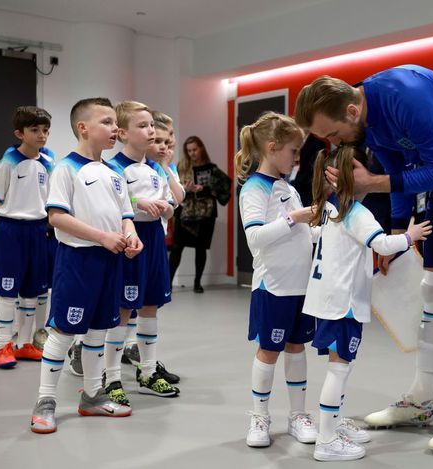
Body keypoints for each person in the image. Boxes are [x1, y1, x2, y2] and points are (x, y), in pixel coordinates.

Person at [295, 65, 433, 453]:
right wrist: (399, 229)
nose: (334, 143)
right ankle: (421, 401)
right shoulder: (367, 122)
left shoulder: (404, 94)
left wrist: (371, 184)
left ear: (351, 111)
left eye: (333, 134)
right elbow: (400, 168)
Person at [305, 145, 432, 461]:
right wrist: (411, 235)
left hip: (327, 301)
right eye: (362, 172)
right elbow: (382, 244)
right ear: (349, 179)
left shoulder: (330, 208)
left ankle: (333, 424)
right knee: (339, 369)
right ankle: (326, 439)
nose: (370, 177)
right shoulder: (357, 213)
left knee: (339, 367)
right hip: (342, 304)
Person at [30, 97, 142, 433]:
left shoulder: (115, 172)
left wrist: (131, 235)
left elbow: (126, 215)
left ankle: (92, 395)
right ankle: (45, 400)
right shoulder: (67, 168)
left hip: (110, 262)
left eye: (115, 123)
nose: (115, 129)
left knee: (98, 330)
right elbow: (57, 217)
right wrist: (102, 237)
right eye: (107, 122)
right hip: (78, 261)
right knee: (64, 331)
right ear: (83, 127)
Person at [235, 112, 319, 448]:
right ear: (272, 147)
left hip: (301, 285)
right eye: (293, 151)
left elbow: (301, 231)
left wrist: (330, 228)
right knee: (269, 350)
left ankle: (297, 416)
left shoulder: (287, 186)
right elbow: (255, 237)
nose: (297, 158)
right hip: (274, 287)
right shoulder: (254, 189)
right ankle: (259, 417)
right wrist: (294, 217)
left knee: (297, 348)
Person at [104, 101, 180, 405]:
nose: (150, 131)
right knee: (122, 311)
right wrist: (138, 203)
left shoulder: (155, 169)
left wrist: (166, 207)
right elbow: (111, 207)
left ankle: (148, 372)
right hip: (128, 241)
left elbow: (171, 206)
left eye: (152, 125)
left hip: (154, 240)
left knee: (151, 307)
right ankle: (111, 379)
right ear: (122, 133)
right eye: (142, 126)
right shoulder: (112, 168)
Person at [0, 106, 54, 368]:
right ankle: (4, 344)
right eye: (35, 130)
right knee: (7, 293)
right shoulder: (9, 163)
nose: (42, 135)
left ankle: (25, 343)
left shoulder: (48, 162)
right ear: (20, 133)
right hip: (10, 230)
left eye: (46, 130)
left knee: (32, 293)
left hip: (38, 231)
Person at [170, 136, 229, 293]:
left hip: (206, 214)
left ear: (201, 148)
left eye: (194, 149)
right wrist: (186, 189)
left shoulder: (212, 169)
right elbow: (172, 186)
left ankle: (197, 283)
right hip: (184, 213)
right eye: (189, 151)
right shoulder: (181, 166)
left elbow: (224, 187)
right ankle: (167, 283)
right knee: (176, 247)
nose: (192, 153)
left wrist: (205, 189)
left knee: (200, 248)